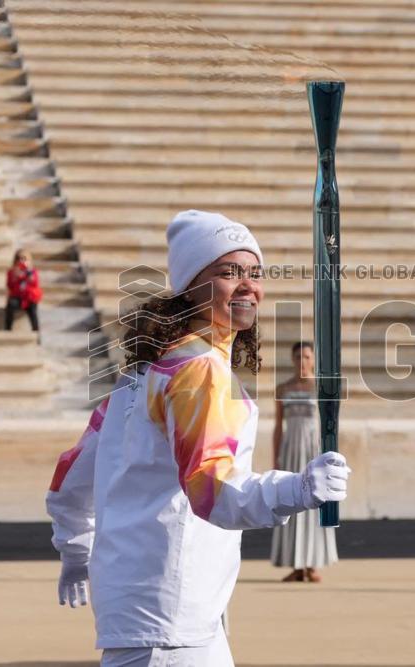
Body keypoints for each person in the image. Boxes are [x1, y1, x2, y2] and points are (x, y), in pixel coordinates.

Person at [45, 210, 351, 666]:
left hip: (148, 613)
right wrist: (299, 488)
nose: (249, 285)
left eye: (255, 273)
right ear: (191, 285)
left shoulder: (138, 379)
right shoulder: (199, 370)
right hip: (173, 617)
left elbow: (70, 478)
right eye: (230, 272)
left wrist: (75, 548)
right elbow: (212, 491)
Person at [271, 341, 338, 583]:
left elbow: (329, 424)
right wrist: (276, 456)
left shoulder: (321, 387)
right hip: (291, 451)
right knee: (291, 501)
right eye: (298, 356)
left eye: (307, 357)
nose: (303, 361)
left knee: (315, 501)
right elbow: (279, 426)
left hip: (313, 451)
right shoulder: (283, 388)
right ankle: (297, 565)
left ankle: (312, 563)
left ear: (313, 359)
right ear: (293, 359)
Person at [4, 249, 42, 333]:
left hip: (29, 298)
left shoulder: (32, 272)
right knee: (10, 306)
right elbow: (9, 286)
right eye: (19, 259)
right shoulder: (12, 272)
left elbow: (35, 284)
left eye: (24, 259)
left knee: (33, 310)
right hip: (17, 297)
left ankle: (36, 330)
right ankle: (8, 329)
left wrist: (28, 276)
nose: (22, 261)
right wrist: (15, 277)